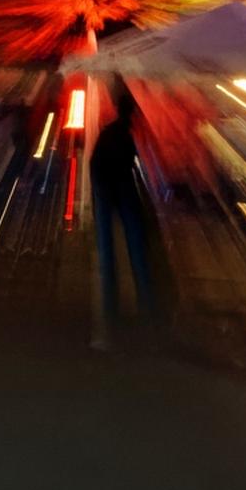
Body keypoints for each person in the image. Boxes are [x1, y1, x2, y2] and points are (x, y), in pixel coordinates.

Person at [88, 83, 156, 348]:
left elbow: (96, 165)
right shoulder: (127, 136)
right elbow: (132, 166)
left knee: (108, 257)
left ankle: (110, 319)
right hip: (121, 190)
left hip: (105, 191)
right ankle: (148, 314)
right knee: (137, 251)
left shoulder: (110, 133)